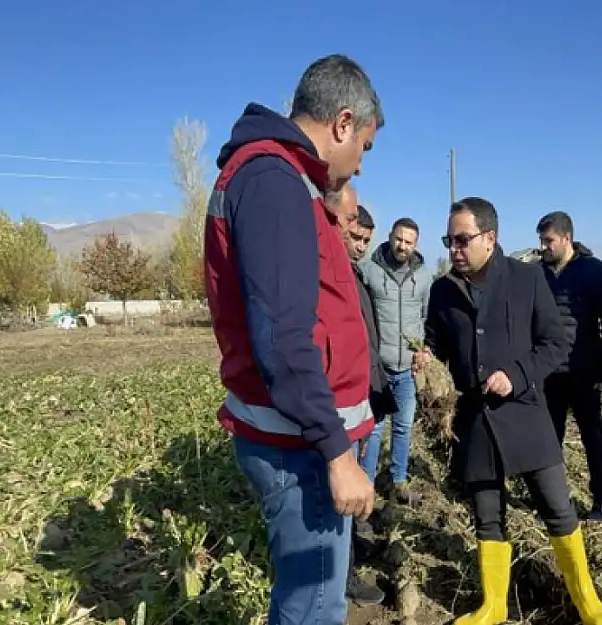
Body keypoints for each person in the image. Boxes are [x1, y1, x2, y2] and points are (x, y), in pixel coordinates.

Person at [203, 54, 384, 625]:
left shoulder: (283, 181)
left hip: (301, 439)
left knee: (315, 600)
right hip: (299, 447)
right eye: (365, 148)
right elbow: (284, 336)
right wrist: (335, 451)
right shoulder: (273, 182)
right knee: (311, 608)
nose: (358, 167)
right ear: (343, 123)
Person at [413, 197, 602, 625]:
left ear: (490, 237)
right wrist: (427, 356)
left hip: (525, 414)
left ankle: (589, 604)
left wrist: (517, 375)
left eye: (462, 240)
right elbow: (436, 338)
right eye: (449, 240)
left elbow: (555, 344)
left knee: (558, 509)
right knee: (487, 515)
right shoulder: (444, 291)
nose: (454, 249)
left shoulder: (527, 279)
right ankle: (493, 605)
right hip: (476, 420)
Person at [327, 184, 394, 606]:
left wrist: (375, 396)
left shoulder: (355, 275)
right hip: (337, 406)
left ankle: (353, 550)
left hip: (361, 399)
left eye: (367, 241)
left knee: (359, 482)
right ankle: (343, 576)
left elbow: (366, 341)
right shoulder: (334, 275)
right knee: (338, 496)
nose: (361, 246)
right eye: (356, 237)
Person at [535, 210, 602, 522]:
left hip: (584, 371)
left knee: (592, 438)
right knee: (549, 441)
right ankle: (553, 500)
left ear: (566, 238)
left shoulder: (594, 272)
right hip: (548, 373)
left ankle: (600, 501)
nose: (543, 247)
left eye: (548, 241)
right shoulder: (538, 274)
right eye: (541, 241)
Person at [358, 217, 432, 504]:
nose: (402, 246)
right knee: (374, 427)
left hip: (408, 369)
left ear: (416, 244)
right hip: (378, 366)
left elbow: (426, 317)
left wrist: (424, 350)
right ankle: (367, 482)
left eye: (409, 242)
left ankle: (398, 480)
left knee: (403, 426)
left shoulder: (424, 277)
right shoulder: (369, 271)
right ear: (390, 237)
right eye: (399, 239)